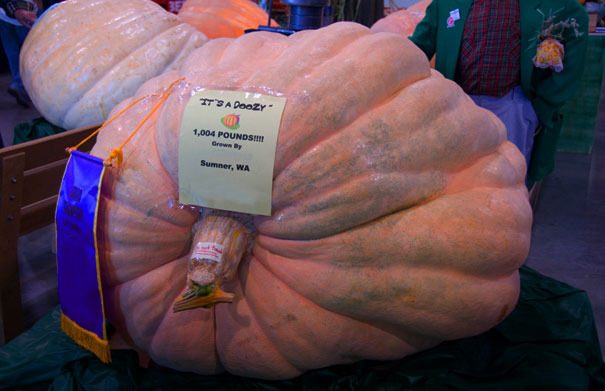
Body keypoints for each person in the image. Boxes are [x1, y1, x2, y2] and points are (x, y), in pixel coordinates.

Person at [409, 0, 589, 187]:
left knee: (506, 187)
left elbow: (577, 28)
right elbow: (419, 45)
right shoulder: (446, 3)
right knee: (456, 186)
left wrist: (543, 103)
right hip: (457, 108)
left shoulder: (555, 4)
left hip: (511, 107)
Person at [0, 0, 39, 107]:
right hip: (24, 13)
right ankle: (19, 84)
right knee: (31, 52)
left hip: (3, 15)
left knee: (13, 54)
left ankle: (20, 87)